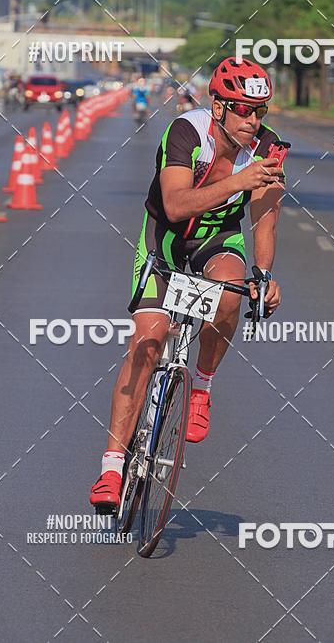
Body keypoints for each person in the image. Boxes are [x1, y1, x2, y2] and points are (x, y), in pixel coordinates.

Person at [90, 57, 285, 510]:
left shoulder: (268, 148)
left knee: (231, 291)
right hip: (165, 239)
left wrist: (263, 275)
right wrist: (239, 180)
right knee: (148, 341)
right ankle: (111, 468)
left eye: (260, 112)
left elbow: (265, 217)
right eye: (243, 110)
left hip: (218, 238)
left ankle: (202, 386)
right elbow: (176, 205)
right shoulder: (186, 132)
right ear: (218, 107)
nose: (253, 121)